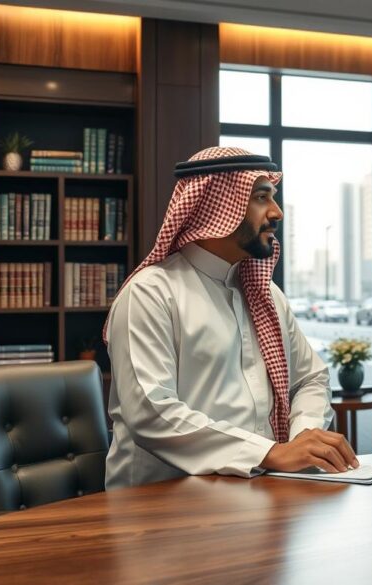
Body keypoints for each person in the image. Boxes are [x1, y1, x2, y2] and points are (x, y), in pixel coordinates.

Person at [104, 146, 358, 489]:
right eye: (261, 197)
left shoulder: (266, 294)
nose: (277, 212)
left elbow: (310, 379)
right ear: (215, 207)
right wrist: (268, 453)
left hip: (261, 494)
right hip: (160, 509)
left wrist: (304, 439)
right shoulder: (151, 293)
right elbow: (152, 411)